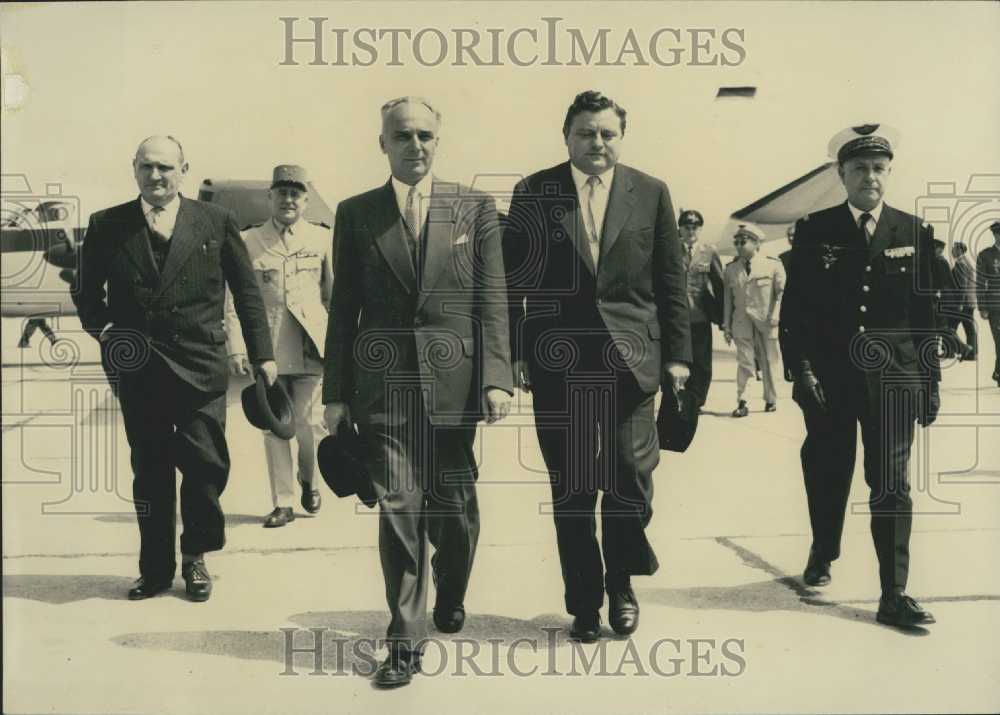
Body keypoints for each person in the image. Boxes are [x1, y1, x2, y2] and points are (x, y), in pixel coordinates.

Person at [322, 97, 512, 688]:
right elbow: (343, 309)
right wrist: (336, 391)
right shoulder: (356, 214)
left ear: (440, 140)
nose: (416, 145)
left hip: (455, 387)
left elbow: (492, 300)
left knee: (454, 515)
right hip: (383, 388)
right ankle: (404, 640)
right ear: (382, 142)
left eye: (426, 135)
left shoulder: (474, 207)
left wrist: (497, 376)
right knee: (399, 511)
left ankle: (451, 587)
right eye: (402, 135)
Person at [504, 90, 691, 644]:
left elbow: (671, 280)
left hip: (633, 362)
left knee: (631, 480)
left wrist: (679, 356)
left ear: (621, 138)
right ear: (567, 136)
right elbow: (516, 282)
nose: (597, 143)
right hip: (559, 364)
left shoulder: (651, 192)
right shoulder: (534, 192)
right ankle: (584, 600)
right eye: (586, 133)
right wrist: (516, 351)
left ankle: (622, 583)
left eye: (608, 133)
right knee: (574, 487)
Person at [73, 135, 276, 602]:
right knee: (151, 471)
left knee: (206, 468)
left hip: (200, 365)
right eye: (147, 167)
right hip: (139, 369)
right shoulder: (108, 224)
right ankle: (157, 569)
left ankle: (196, 555)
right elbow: (86, 293)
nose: (156, 176)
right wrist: (106, 332)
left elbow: (246, 293)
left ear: (184, 169)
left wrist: (263, 354)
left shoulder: (216, 221)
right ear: (134, 169)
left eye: (166, 167)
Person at [779, 124, 939, 628]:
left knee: (891, 484)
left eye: (878, 168)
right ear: (841, 175)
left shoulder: (912, 231)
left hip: (894, 380)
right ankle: (824, 549)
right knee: (828, 472)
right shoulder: (814, 230)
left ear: (888, 173)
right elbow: (796, 312)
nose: (870, 177)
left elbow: (925, 315)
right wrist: (801, 370)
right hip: (831, 380)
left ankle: (894, 592)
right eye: (859, 169)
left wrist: (929, 382)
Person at [225, 165, 333, 528]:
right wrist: (237, 347)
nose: (289, 200)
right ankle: (283, 502)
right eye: (282, 193)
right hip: (268, 349)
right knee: (274, 427)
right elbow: (235, 299)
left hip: (310, 347)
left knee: (310, 425)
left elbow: (333, 297)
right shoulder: (249, 240)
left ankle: (310, 481)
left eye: (296, 194)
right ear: (270, 197)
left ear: (306, 200)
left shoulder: (321, 240)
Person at [723, 222, 785, 416]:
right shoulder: (731, 269)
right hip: (741, 322)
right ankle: (743, 401)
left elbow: (782, 293)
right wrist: (726, 325)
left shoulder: (773, 265)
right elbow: (728, 300)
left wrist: (776, 315)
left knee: (769, 361)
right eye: (737, 242)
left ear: (757, 244)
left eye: (744, 241)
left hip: (767, 321)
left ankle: (771, 399)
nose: (740, 245)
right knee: (745, 362)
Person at [679, 208, 724, 409]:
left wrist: (723, 318)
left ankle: (697, 400)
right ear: (680, 229)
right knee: (679, 359)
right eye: (687, 227)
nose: (691, 232)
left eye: (695, 228)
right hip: (677, 317)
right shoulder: (670, 249)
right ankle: (682, 397)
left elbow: (719, 284)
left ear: (700, 229)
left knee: (702, 363)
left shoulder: (709, 251)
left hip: (701, 316)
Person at [976, 221, 1000, 387]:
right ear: (996, 235)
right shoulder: (985, 255)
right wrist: (982, 306)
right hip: (995, 305)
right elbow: (980, 282)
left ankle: (998, 371)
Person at [947, 242, 977, 360]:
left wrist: (959, 303)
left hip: (963, 302)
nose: (952, 251)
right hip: (970, 301)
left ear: (959, 250)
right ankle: (972, 354)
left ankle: (952, 351)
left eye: (953, 249)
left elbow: (962, 286)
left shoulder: (960, 264)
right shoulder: (967, 262)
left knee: (950, 326)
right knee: (969, 328)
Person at [930, 238, 957, 357]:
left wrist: (936, 292)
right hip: (946, 297)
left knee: (939, 325)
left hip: (942, 298)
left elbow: (940, 281)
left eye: (934, 248)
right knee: (943, 326)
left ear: (940, 249)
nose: (932, 250)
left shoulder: (939, 261)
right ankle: (948, 351)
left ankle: (944, 351)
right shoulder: (943, 261)